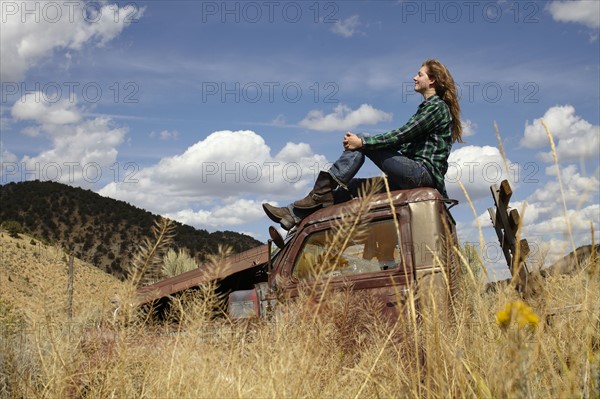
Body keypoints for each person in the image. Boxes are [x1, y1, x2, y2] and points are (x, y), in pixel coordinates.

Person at [263, 59, 462, 230]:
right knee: (352, 187)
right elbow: (403, 147)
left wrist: (363, 142)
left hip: (421, 175)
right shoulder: (428, 108)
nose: (414, 77)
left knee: (361, 138)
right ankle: (292, 214)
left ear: (432, 80)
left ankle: (319, 193)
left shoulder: (436, 107)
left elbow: (402, 135)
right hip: (413, 175)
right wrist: (366, 145)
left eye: (419, 74)